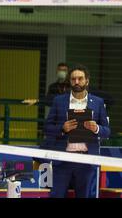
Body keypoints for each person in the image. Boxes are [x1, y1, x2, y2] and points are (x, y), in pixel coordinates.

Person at [44, 64, 110, 198]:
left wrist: (96, 128)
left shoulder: (98, 102)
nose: (77, 82)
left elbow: (107, 131)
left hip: (86, 161)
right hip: (62, 160)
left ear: (87, 81)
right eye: (73, 79)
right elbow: (47, 127)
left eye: (80, 78)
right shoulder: (59, 101)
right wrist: (62, 128)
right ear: (70, 81)